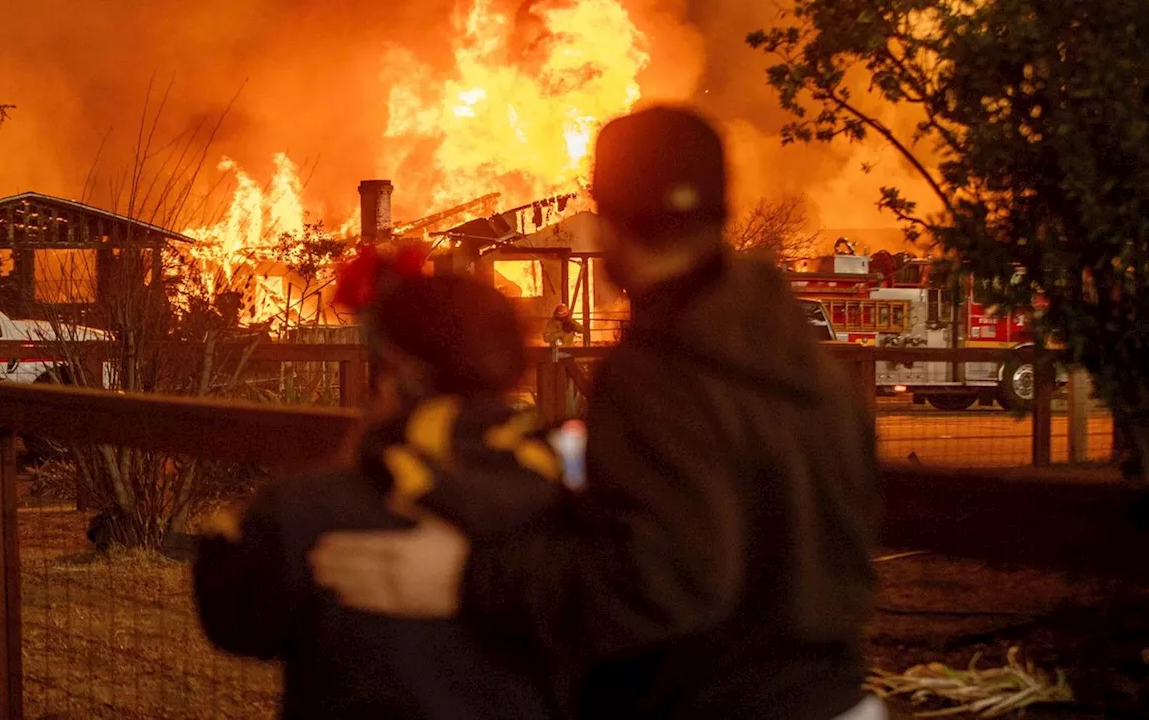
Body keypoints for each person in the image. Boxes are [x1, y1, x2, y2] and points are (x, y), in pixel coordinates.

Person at [310, 106, 883, 720]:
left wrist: (467, 578)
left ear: (610, 222)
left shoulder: (661, 370)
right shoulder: (803, 361)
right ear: (720, 209)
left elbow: (665, 576)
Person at [194, 246, 566, 719]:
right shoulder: (573, 507)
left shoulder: (308, 512)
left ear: (392, 370)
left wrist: (350, 457)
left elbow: (233, 619)